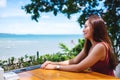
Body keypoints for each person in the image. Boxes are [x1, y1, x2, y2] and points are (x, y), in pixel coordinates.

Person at [41, 15, 118, 76]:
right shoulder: (90, 46)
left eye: (86, 26)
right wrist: (53, 63)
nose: (83, 30)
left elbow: (79, 67)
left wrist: (56, 67)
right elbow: (74, 61)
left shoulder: (100, 46)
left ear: (95, 28)